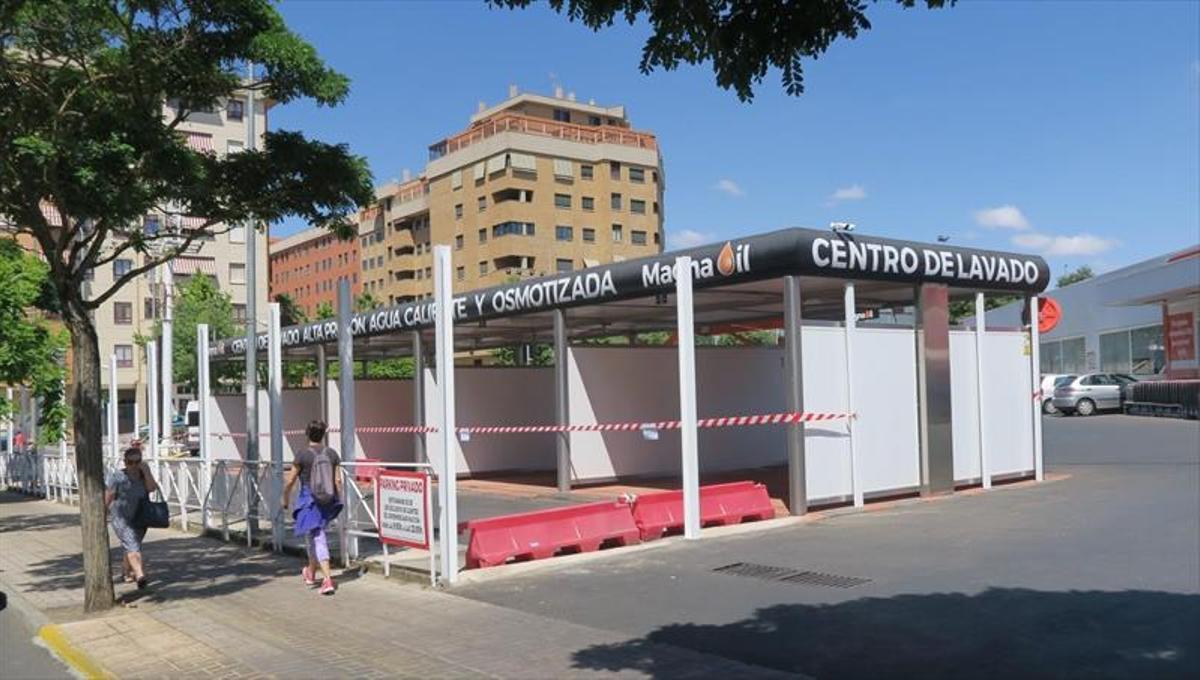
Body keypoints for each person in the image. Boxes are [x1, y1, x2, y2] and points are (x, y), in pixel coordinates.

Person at [282, 420, 343, 595]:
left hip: (309, 500)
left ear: (307, 434)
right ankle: (310, 572)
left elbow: (291, 480)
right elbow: (338, 480)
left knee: (317, 536)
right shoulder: (332, 454)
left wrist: (285, 498)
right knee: (314, 534)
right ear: (323, 434)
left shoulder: (302, 454)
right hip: (328, 499)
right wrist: (339, 500)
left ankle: (327, 579)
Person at [105, 446, 158, 589]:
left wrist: (146, 471)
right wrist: (103, 511)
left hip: (141, 517)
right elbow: (109, 495)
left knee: (131, 545)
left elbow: (152, 488)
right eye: (130, 462)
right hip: (121, 517)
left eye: (137, 462)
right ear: (125, 462)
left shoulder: (143, 475)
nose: (134, 465)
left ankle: (126, 572)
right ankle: (140, 575)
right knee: (132, 545)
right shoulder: (117, 476)